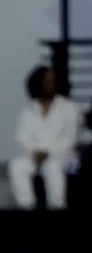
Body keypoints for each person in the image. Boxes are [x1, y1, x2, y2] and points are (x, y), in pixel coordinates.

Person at [8, 65, 80, 209]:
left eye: (53, 80)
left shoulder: (69, 108)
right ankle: (27, 205)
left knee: (52, 166)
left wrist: (48, 152)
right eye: (47, 80)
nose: (50, 84)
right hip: (35, 155)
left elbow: (70, 138)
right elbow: (22, 137)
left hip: (62, 155)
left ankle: (56, 206)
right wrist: (36, 151)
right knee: (17, 166)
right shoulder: (28, 110)